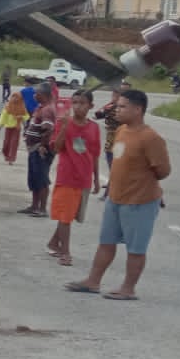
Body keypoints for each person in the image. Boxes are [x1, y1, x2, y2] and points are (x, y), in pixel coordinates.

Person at [66, 89, 169, 300]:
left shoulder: (151, 138)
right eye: (117, 106)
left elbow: (163, 171)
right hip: (116, 198)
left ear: (138, 109)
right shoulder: (122, 131)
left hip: (140, 201)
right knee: (106, 241)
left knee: (136, 248)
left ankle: (128, 288)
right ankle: (93, 281)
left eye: (122, 106)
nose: (117, 110)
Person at [46, 90, 102, 267]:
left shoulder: (93, 127)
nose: (78, 106)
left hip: (83, 178)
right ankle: (65, 252)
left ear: (90, 106)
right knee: (65, 216)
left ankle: (54, 243)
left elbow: (94, 154)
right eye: (75, 102)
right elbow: (56, 147)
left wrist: (96, 178)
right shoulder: (64, 123)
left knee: (69, 215)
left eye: (82, 103)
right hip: (67, 176)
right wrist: (63, 127)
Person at [20, 82, 58, 216]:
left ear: (43, 95)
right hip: (34, 148)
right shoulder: (41, 108)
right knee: (35, 178)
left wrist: (42, 145)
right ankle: (34, 206)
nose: (34, 96)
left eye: (37, 94)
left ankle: (42, 208)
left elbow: (48, 129)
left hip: (40, 149)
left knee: (41, 178)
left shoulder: (47, 109)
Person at [0, 91, 29, 164]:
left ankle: (11, 158)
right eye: (13, 96)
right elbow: (3, 116)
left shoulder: (22, 107)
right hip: (8, 127)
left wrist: (21, 116)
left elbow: (27, 116)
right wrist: (0, 125)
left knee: (14, 143)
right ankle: (6, 154)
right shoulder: (8, 106)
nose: (15, 99)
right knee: (6, 143)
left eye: (17, 97)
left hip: (16, 128)